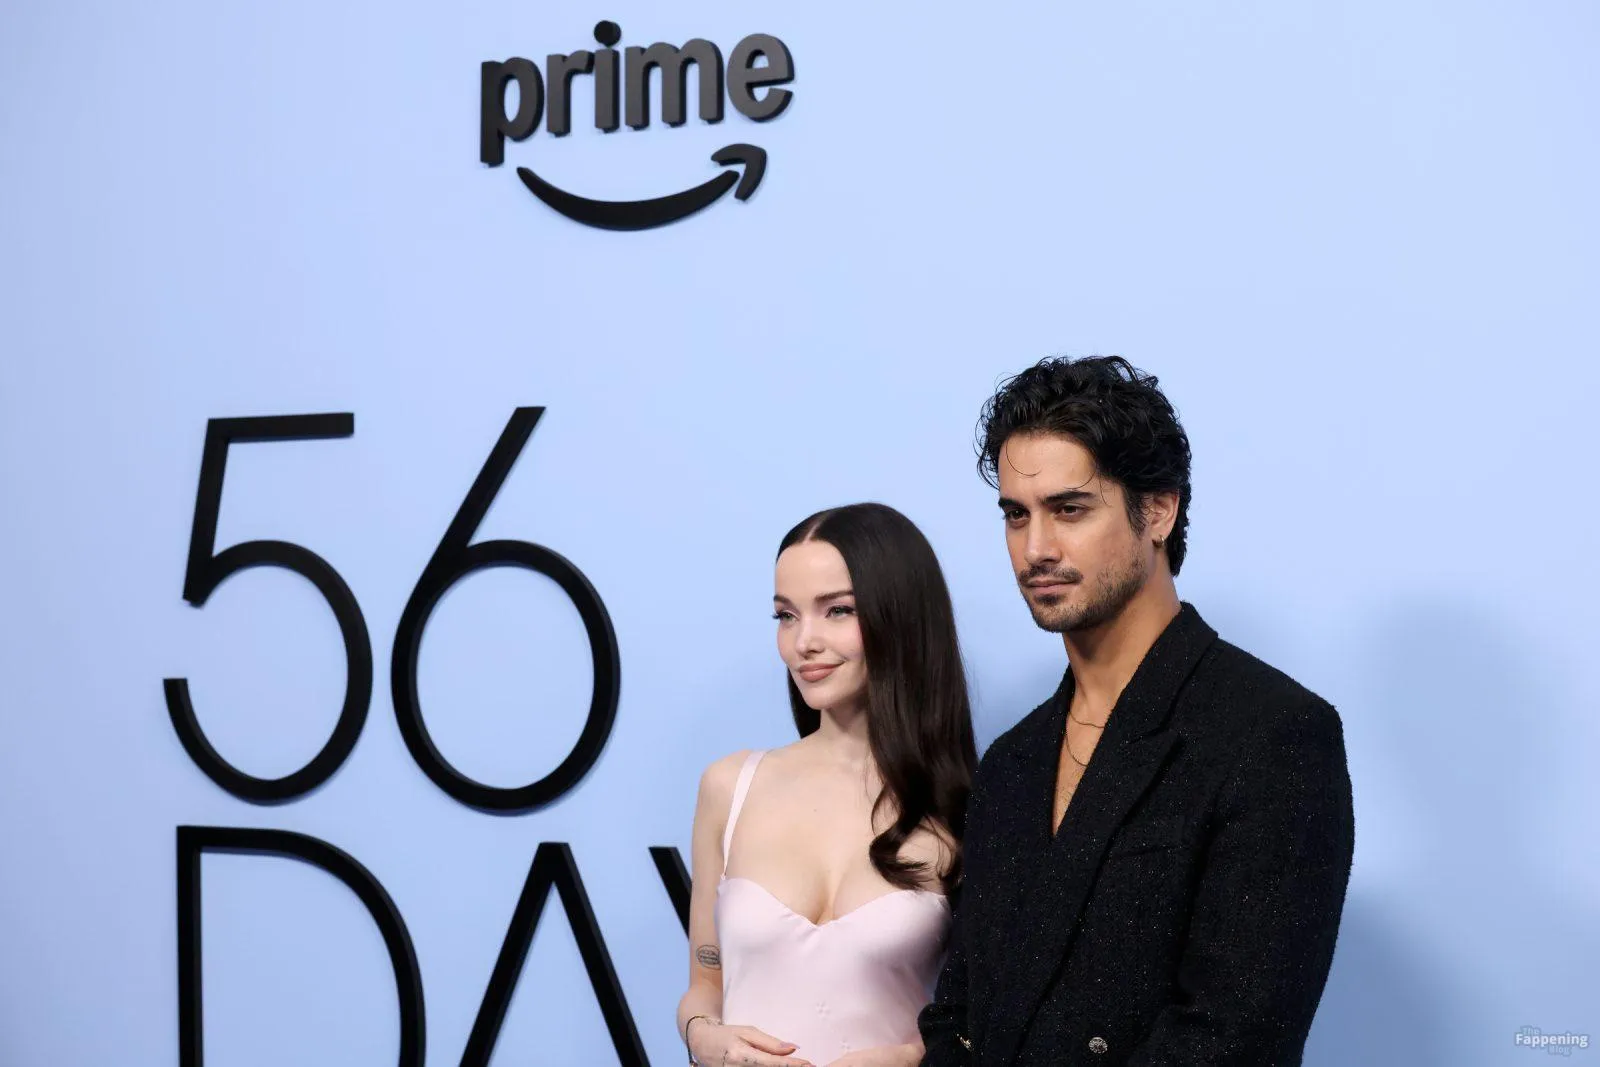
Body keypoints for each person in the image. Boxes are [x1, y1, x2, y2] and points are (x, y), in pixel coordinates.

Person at [918, 356, 1355, 1066]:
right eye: (1016, 515)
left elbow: (1235, 1037)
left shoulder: (1272, 733)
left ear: (1157, 511)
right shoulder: (1011, 762)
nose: (1036, 549)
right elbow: (958, 1015)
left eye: (1070, 509)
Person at [678, 503, 979, 1067]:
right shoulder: (730, 788)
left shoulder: (969, 807)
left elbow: (985, 1020)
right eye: (785, 616)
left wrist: (908, 1059)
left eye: (837, 610)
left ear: (900, 615)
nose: (803, 642)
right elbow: (704, 984)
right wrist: (702, 1036)